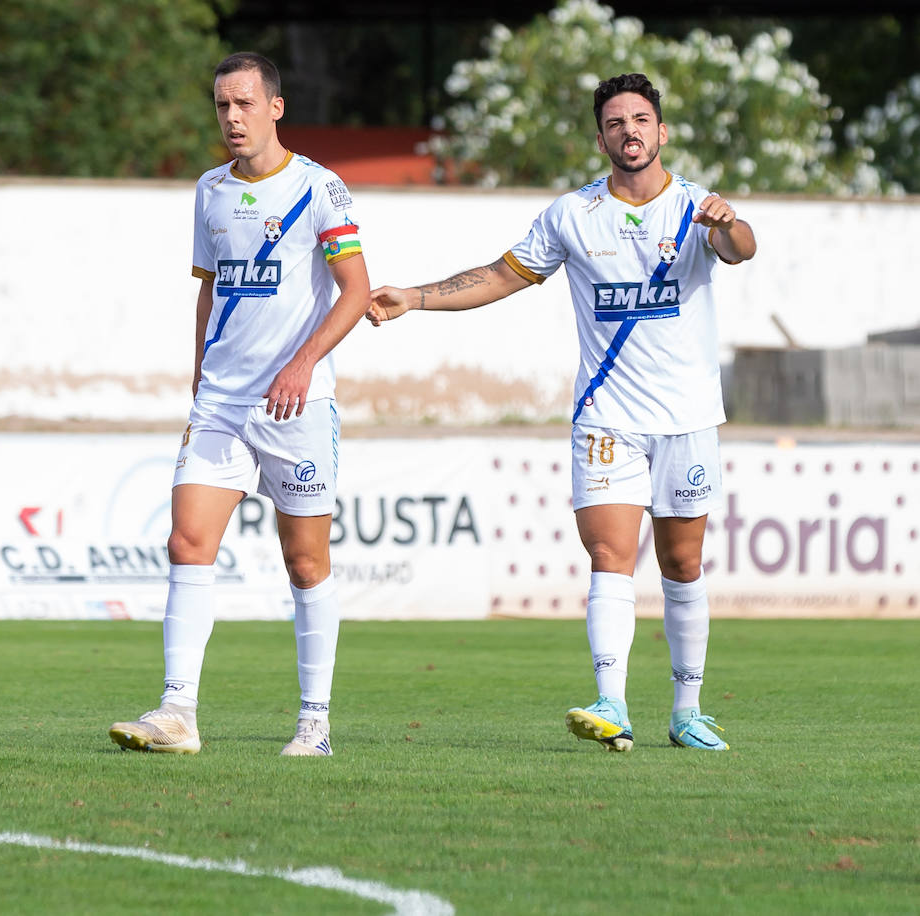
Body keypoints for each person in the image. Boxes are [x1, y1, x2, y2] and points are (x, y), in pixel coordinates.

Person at [369, 74, 756, 752]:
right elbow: (499, 274)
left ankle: (688, 710)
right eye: (615, 122)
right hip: (607, 416)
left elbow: (740, 249)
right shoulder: (573, 215)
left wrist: (729, 226)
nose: (629, 130)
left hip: (689, 418)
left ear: (662, 132)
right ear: (601, 137)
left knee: (682, 564)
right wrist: (416, 297)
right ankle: (611, 701)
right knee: (609, 554)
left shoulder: (698, 207)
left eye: (641, 119)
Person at [107, 52, 371, 756]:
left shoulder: (320, 189)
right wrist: (198, 382)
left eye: (244, 104)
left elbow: (357, 292)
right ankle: (177, 712)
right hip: (222, 405)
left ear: (275, 107)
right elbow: (209, 287)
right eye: (222, 105)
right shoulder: (210, 191)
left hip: (299, 406)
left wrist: (302, 364)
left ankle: (314, 723)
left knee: (306, 564)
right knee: (187, 542)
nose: (231, 118)